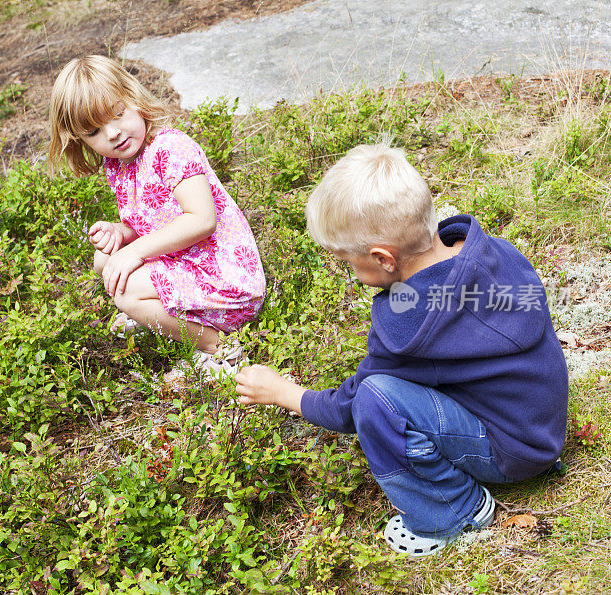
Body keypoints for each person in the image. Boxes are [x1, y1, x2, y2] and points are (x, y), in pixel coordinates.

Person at [235, 142, 568, 557]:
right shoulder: (490, 251)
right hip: (542, 429)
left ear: (384, 258)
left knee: (377, 402)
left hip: (509, 453)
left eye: (347, 262)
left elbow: (349, 405)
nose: (351, 274)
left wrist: (282, 392)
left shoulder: (411, 327)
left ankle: (454, 509)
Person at [48, 55, 265, 376]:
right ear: (81, 140)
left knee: (125, 289)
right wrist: (122, 234)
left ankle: (220, 349)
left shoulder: (170, 149)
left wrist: (134, 251)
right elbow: (150, 224)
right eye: (94, 130)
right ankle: (160, 316)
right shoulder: (118, 165)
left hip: (226, 279)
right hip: (186, 262)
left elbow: (202, 220)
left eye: (118, 114)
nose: (112, 133)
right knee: (104, 259)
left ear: (134, 97)